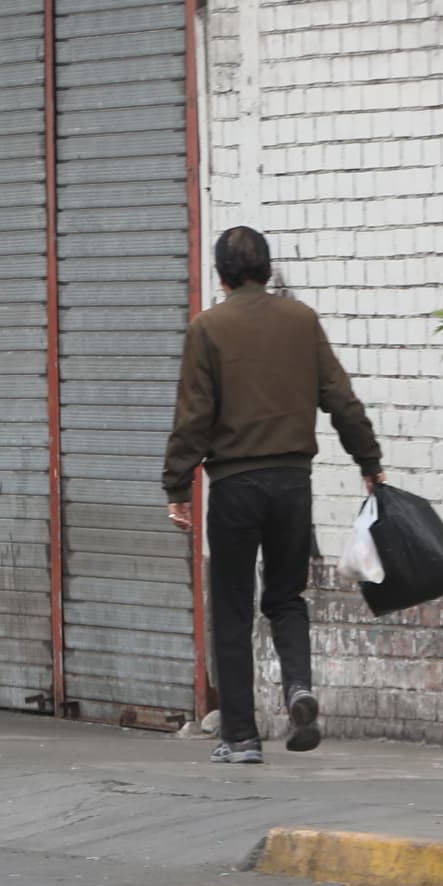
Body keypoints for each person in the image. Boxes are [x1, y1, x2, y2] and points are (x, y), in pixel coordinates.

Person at [164, 224, 383, 764]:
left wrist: (178, 484)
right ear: (267, 269)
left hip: (234, 485)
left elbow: (194, 417)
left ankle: (239, 736)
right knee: (286, 598)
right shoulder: (302, 320)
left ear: (220, 276)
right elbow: (341, 399)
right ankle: (298, 688)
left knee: (234, 608)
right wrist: (368, 462)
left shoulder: (207, 328)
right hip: (293, 484)